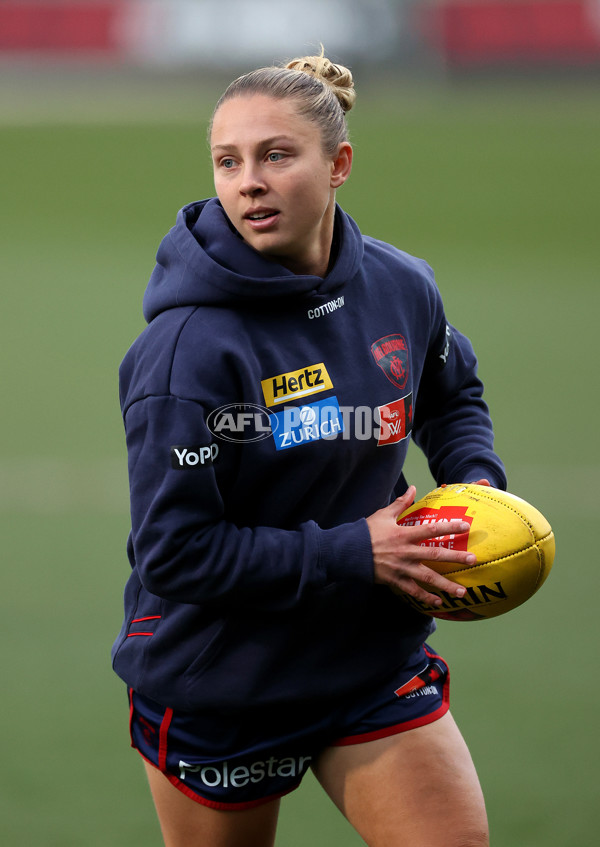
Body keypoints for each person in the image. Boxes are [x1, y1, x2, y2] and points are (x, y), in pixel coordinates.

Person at [112, 48, 506, 847]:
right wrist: (356, 551)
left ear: (339, 165)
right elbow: (177, 553)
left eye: (276, 155)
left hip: (367, 658)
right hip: (225, 678)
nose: (248, 181)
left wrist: (476, 491)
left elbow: (452, 395)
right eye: (228, 161)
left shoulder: (401, 286)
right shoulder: (187, 353)